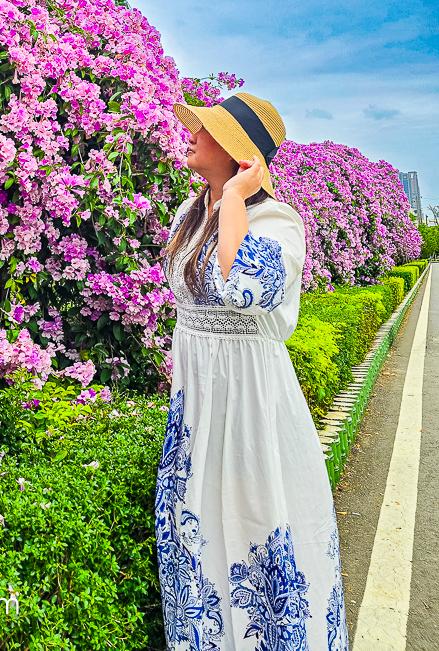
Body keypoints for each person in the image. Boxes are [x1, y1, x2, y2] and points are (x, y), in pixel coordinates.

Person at [155, 92, 348, 651]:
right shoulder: (190, 215)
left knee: (253, 527)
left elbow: (243, 289)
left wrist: (237, 198)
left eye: (209, 131)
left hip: (250, 409)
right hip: (199, 407)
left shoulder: (277, 221)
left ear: (240, 155)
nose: (193, 134)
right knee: (199, 535)